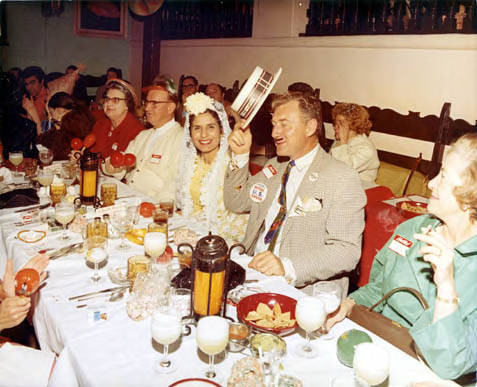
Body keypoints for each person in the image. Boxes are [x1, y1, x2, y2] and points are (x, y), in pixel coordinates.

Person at [326, 133, 477, 380]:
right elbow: (380, 287)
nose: (430, 184)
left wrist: (447, 286)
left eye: (444, 177)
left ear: (471, 196)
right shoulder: (413, 228)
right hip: (381, 350)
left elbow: (451, 365)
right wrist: (351, 303)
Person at [225, 92, 365, 291]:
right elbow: (236, 202)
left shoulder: (341, 177)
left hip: (301, 290)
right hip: (253, 274)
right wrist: (239, 156)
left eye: (284, 123)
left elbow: (347, 251)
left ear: (310, 127)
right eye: (274, 124)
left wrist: (287, 267)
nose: (274, 133)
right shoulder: (274, 167)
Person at [176, 92, 248, 243]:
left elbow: (234, 218)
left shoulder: (233, 164)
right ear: (190, 132)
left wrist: (199, 237)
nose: (203, 135)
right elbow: (188, 206)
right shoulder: (191, 163)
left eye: (210, 127)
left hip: (225, 237)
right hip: (195, 232)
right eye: (197, 128)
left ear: (222, 131)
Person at [105, 83, 183, 202]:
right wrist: (111, 167)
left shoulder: (181, 138)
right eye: (146, 102)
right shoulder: (143, 135)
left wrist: (156, 208)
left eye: (154, 103)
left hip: (154, 206)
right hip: (130, 198)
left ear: (170, 108)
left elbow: (175, 185)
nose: (146, 108)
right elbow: (122, 165)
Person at [89, 79, 144, 158]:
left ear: (127, 105)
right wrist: (80, 157)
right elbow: (91, 153)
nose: (108, 103)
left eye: (115, 100)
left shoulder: (137, 132)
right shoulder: (100, 124)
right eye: (107, 99)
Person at [330, 103, 380, 185]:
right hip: (341, 185)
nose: (335, 127)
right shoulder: (339, 141)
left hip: (363, 189)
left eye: (341, 124)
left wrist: (343, 141)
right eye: (335, 123)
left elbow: (343, 170)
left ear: (354, 126)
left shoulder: (366, 149)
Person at [37, 92, 94, 160]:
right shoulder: (77, 118)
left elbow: (53, 151)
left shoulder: (74, 122)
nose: (50, 117)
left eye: (51, 113)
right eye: (50, 114)